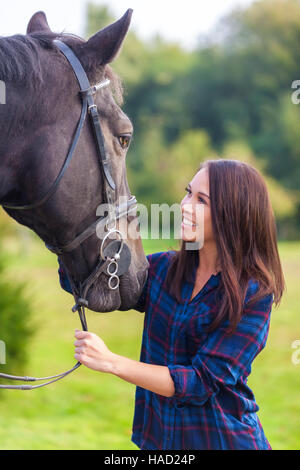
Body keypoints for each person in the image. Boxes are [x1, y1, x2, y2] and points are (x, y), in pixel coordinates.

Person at [58, 158, 285, 450]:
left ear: (233, 214)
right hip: (159, 442)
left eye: (201, 200)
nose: (185, 205)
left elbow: (200, 381)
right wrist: (64, 234)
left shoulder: (253, 295)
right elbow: (97, 284)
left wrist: (111, 361)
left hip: (223, 441)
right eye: (188, 193)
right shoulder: (165, 269)